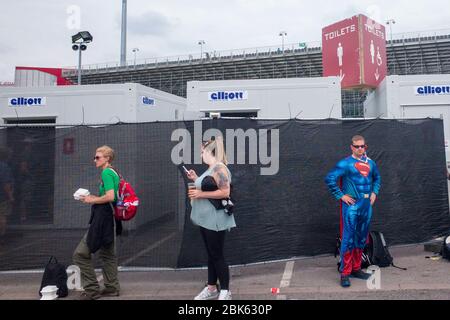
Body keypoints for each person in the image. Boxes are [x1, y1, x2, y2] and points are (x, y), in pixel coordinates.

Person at [325, 135, 381, 288]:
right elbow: (329, 178)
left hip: (366, 205)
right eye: (357, 146)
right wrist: (341, 195)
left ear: (365, 147)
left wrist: (375, 192)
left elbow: (377, 178)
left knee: (361, 239)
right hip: (352, 206)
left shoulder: (371, 163)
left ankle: (356, 268)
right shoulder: (345, 163)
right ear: (351, 147)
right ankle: (345, 272)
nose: (360, 149)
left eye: (362, 146)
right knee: (348, 239)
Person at [186, 136, 236, 300]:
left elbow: (225, 192)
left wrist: (200, 193)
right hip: (206, 219)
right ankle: (212, 288)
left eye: (202, 152)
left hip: (215, 219)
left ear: (209, 152)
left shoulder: (219, 168)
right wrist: (195, 179)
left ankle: (226, 291)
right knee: (211, 254)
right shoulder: (212, 168)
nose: (201, 155)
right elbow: (210, 184)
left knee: (217, 255)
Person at [73, 145, 121, 300]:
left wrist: (90, 199)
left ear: (107, 158)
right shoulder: (114, 172)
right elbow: (111, 197)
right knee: (108, 254)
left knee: (80, 254)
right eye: (95, 157)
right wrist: (93, 198)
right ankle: (112, 287)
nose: (95, 160)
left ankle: (92, 289)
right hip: (111, 218)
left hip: (102, 219)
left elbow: (110, 196)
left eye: (98, 157)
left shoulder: (106, 172)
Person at [0, 147, 14, 242]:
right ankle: (1, 236)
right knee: (2, 216)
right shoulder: (5, 167)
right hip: (2, 197)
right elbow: (6, 184)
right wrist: (11, 197)